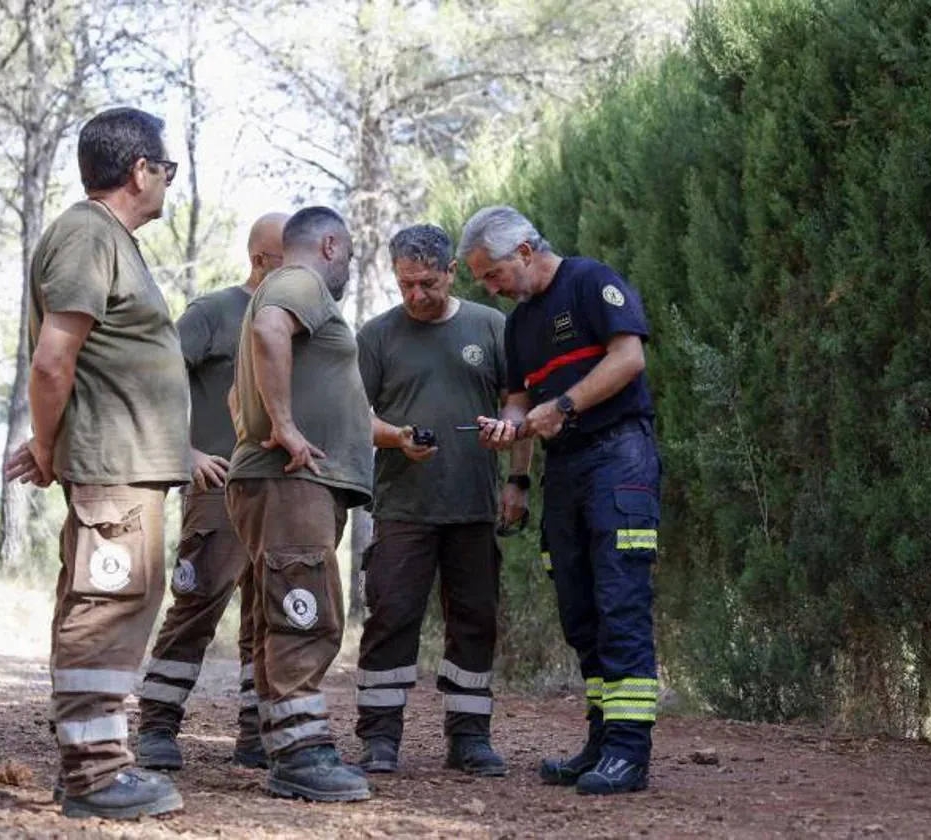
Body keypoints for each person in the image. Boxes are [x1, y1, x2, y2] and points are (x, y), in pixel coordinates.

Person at [4, 107, 189, 819]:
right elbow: (54, 359)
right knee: (104, 608)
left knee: (117, 605)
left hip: (130, 466)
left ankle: (94, 763)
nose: (168, 183)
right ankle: (95, 772)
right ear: (139, 169)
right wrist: (48, 448)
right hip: (112, 465)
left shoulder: (109, 240)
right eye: (165, 169)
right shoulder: (87, 233)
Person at [460, 206, 661, 796]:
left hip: (620, 456)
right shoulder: (520, 323)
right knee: (580, 610)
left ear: (524, 251)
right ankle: (602, 741)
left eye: (493, 274)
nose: (491, 288)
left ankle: (630, 751)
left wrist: (565, 406)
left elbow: (629, 359)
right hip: (566, 469)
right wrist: (509, 434)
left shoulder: (593, 281)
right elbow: (521, 402)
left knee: (620, 601)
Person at [352, 224, 533, 777]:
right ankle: (380, 737)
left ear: (452, 272)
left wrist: (516, 480)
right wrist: (397, 438)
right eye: (405, 284)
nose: (415, 296)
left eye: (427, 283)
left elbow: (519, 405)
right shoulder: (378, 335)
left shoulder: (491, 326)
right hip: (403, 508)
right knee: (391, 618)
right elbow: (354, 417)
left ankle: (470, 737)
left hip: (474, 506)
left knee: (476, 619)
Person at [224, 206, 373, 802]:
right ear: (330, 245)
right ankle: (303, 758)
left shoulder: (294, 290)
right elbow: (269, 331)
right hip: (289, 481)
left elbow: (241, 390)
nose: (348, 269)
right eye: (352, 257)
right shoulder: (300, 280)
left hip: (284, 483)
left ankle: (282, 743)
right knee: (303, 609)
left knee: (280, 609)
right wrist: (283, 425)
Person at [135, 212, 290, 773]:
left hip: (279, 490)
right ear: (260, 260)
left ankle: (256, 733)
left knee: (269, 617)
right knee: (198, 603)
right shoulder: (215, 313)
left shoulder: (299, 318)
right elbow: (155, 377)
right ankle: (157, 724)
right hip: (218, 488)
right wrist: (186, 452)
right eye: (288, 257)